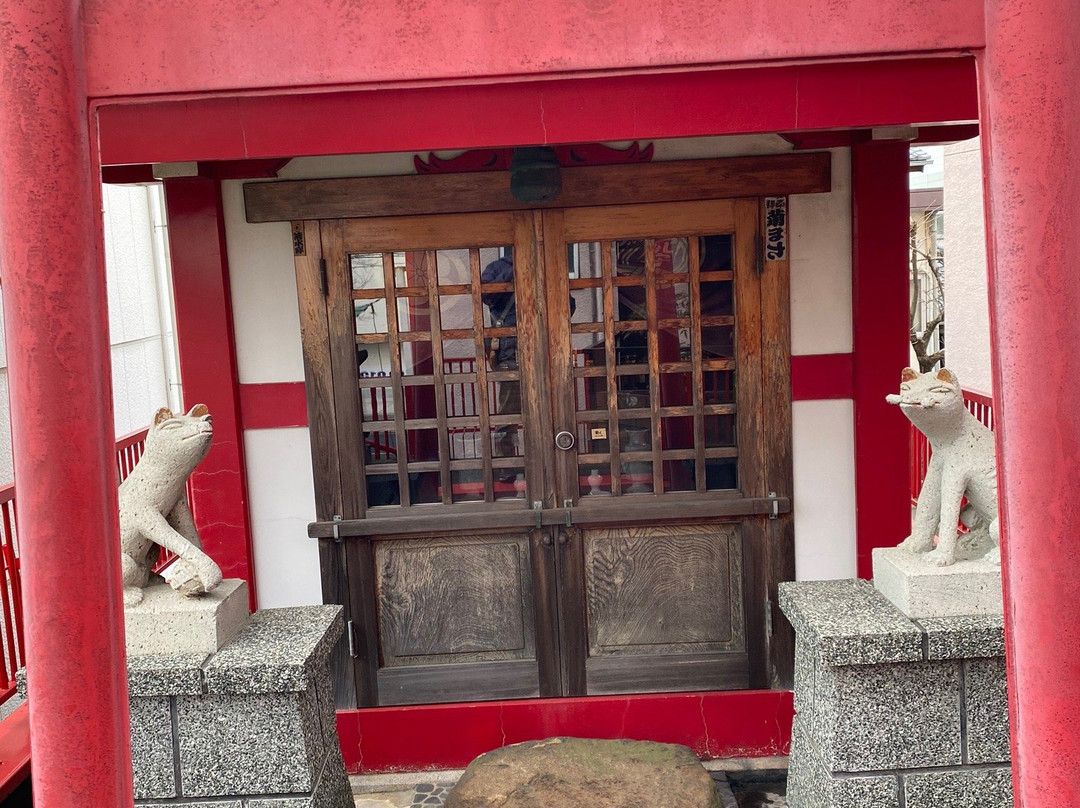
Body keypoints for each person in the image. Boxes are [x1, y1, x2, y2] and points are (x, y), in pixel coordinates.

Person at [481, 254, 575, 460]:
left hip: (528, 350)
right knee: (518, 411)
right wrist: (518, 269)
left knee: (530, 410)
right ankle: (512, 463)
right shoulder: (501, 268)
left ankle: (529, 462)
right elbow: (486, 296)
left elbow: (568, 305)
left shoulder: (503, 268)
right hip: (520, 350)